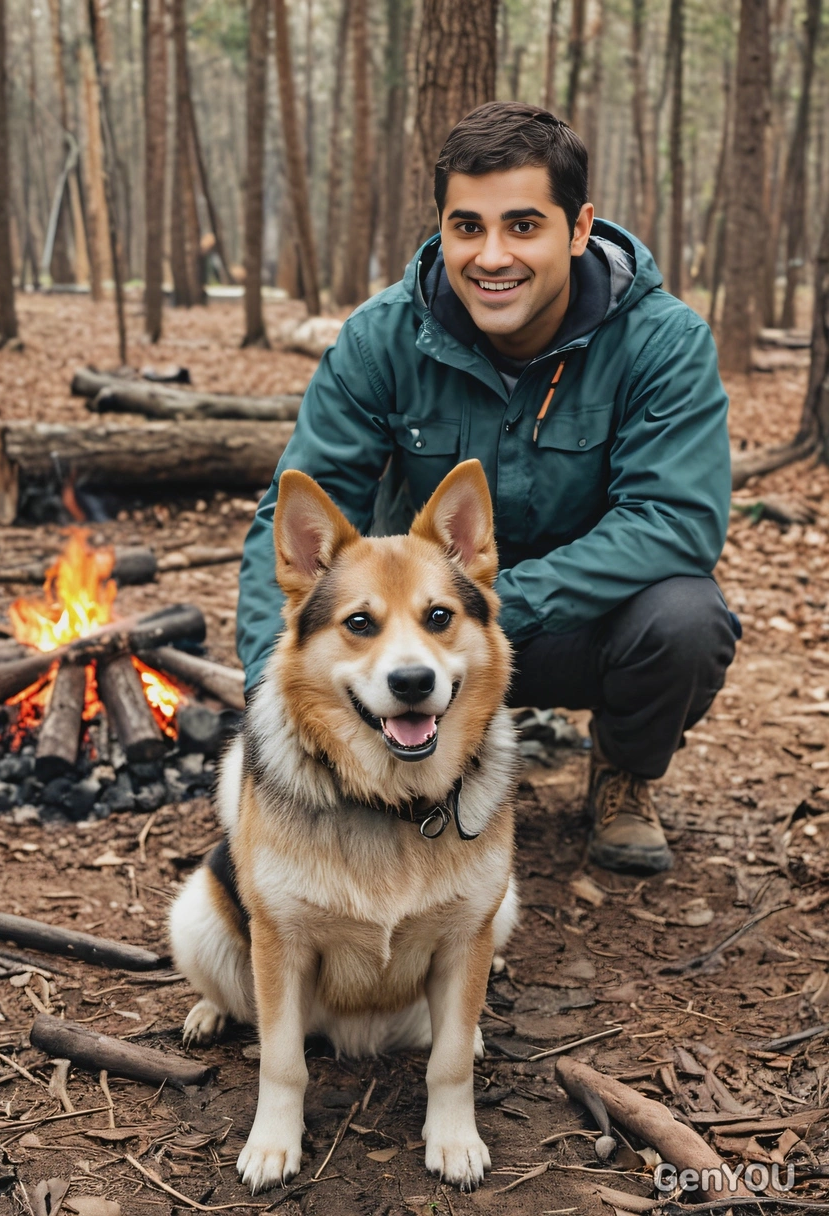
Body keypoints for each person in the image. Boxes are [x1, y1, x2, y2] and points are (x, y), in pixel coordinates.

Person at [236, 101, 738, 876]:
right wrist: (266, 712)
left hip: (577, 627)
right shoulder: (383, 338)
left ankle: (625, 770)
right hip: (413, 639)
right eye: (467, 227)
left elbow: (676, 522)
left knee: (686, 619)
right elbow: (297, 516)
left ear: (578, 229)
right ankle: (403, 776)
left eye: (523, 226)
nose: (492, 255)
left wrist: (502, 605)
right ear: (440, 226)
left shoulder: (663, 343)